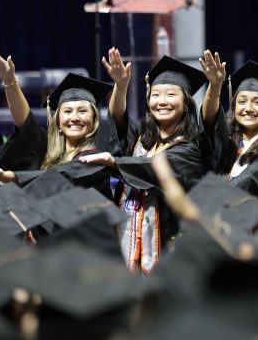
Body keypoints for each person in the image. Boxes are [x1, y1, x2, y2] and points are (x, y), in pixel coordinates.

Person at [79, 50, 205, 273]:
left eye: (170, 95)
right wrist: (121, 85)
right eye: (155, 95)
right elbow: (118, 119)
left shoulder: (191, 147)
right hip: (127, 236)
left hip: (167, 241)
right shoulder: (139, 135)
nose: (161, 101)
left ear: (186, 103)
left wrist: (115, 162)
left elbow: (154, 168)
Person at [0, 47, 114, 198]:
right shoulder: (51, 152)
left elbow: (65, 174)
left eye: (82, 111)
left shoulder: (98, 158)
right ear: (57, 120)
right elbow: (26, 123)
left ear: (94, 119)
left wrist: (12, 176)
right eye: (67, 111)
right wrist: (9, 80)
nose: (74, 117)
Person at [199, 51, 258, 209]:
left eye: (257, 102)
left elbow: (251, 180)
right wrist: (214, 86)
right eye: (242, 102)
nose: (248, 108)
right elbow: (210, 123)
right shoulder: (227, 144)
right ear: (234, 107)